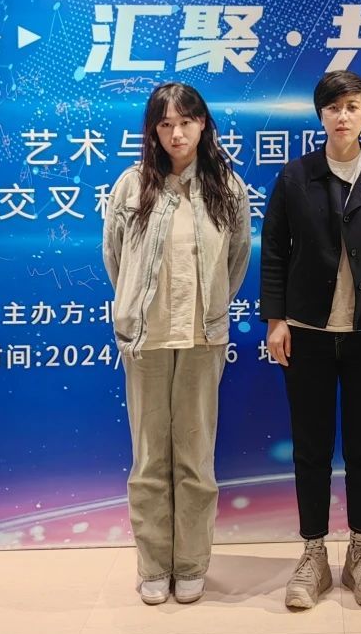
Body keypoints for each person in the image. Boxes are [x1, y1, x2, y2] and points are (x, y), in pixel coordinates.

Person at [260, 70, 361, 610]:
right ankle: (312, 554)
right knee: (310, 447)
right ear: (320, 115)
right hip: (307, 332)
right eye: (333, 107)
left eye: (352, 106)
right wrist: (275, 320)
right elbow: (274, 250)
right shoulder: (295, 176)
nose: (342, 116)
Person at [102, 82, 251, 606]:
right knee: (148, 459)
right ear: (153, 131)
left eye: (186, 122)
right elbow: (115, 258)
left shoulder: (227, 187)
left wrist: (212, 308)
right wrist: (134, 308)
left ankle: (190, 565)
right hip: (145, 341)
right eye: (165, 125)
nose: (176, 134)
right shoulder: (131, 186)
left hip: (202, 338)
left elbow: (236, 260)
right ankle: (153, 566)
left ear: (203, 124)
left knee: (194, 458)